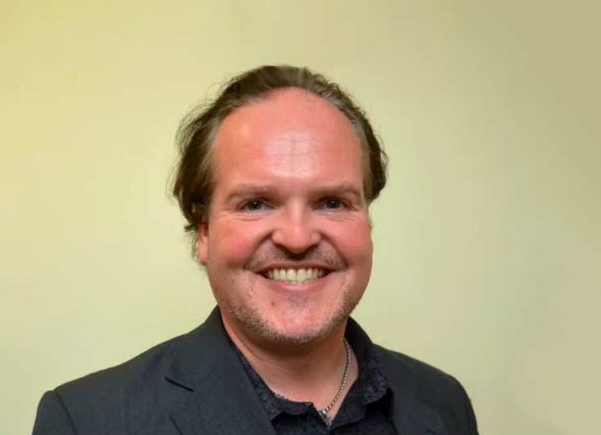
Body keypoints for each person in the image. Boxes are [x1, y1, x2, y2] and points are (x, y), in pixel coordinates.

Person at [32, 65, 479, 435]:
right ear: (204, 232)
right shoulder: (86, 421)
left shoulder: (443, 404)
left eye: (332, 203)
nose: (297, 238)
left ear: (367, 222)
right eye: (256, 204)